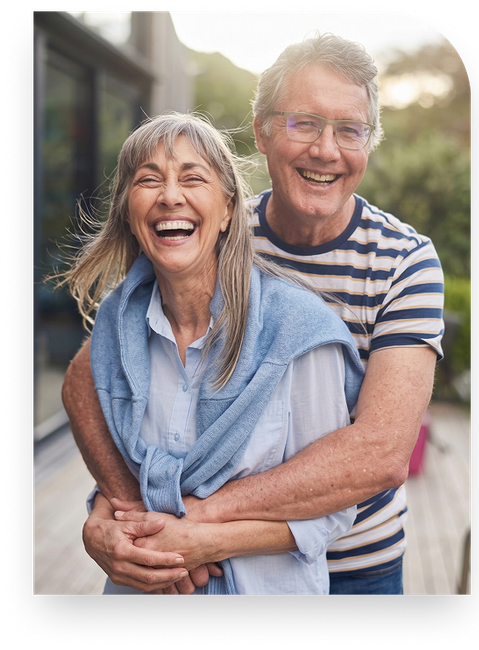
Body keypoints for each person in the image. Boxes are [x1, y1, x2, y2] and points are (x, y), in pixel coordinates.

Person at [62, 33, 444, 596]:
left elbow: (381, 453)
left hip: (357, 564)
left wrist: (195, 523)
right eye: (304, 123)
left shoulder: (404, 260)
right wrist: (119, 511)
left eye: (349, 130)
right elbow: (88, 377)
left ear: (370, 143)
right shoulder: (206, 228)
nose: (326, 150)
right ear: (263, 130)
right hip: (198, 566)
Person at [57, 111, 364, 595]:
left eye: (193, 178)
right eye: (148, 180)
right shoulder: (119, 328)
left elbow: (332, 510)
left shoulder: (297, 330)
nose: (170, 195)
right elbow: (124, 474)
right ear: (130, 215)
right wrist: (100, 524)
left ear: (226, 212)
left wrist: (198, 545)